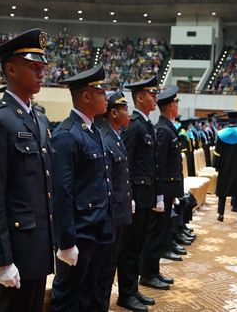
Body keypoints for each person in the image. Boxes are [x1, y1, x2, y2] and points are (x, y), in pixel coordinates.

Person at [0, 29, 54, 312]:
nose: (41, 72)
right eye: (34, 66)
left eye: (43, 66)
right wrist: (2, 258)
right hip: (15, 246)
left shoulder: (40, 119)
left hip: (37, 242)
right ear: (11, 68)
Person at [49, 64, 112, 312]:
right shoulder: (67, 134)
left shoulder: (93, 130)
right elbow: (61, 192)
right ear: (86, 96)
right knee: (69, 297)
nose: (106, 96)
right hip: (81, 232)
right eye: (100, 91)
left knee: (91, 292)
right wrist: (66, 243)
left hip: (98, 227)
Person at [117, 76, 163, 310]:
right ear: (139, 98)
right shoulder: (134, 126)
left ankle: (133, 289)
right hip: (135, 198)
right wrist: (130, 197)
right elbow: (125, 163)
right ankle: (125, 293)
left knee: (137, 247)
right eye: (151, 94)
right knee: (129, 249)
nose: (155, 97)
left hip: (146, 197)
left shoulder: (146, 125)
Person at [93, 91, 134, 311]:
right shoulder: (105, 136)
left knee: (110, 265)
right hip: (112, 213)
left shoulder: (115, 135)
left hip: (120, 210)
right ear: (114, 113)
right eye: (125, 109)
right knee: (105, 268)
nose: (129, 113)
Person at [151, 86, 185, 278]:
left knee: (163, 230)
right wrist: (161, 194)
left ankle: (155, 270)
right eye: (176, 102)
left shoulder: (168, 127)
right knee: (157, 233)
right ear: (171, 106)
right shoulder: (163, 130)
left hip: (170, 189)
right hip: (164, 189)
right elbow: (160, 165)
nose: (177, 105)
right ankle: (151, 272)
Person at [212, 112, 237, 224]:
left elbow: (217, 152)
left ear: (228, 120)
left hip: (225, 167)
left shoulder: (221, 134)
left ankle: (221, 214)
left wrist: (217, 166)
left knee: (223, 191)